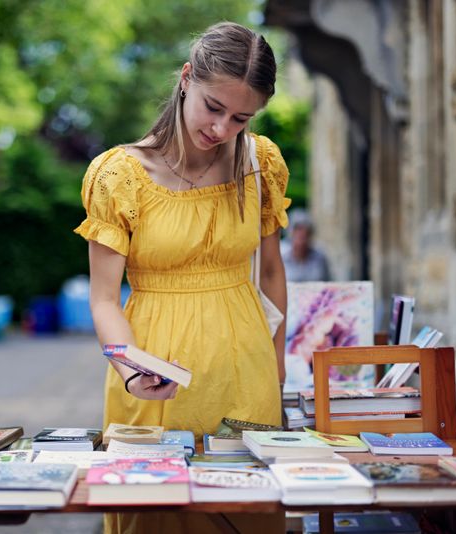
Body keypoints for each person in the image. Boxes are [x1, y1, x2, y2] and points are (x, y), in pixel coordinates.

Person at [74, 22, 290, 534]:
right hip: (152, 374)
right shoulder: (118, 175)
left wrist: (277, 370)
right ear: (187, 79)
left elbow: (274, 271)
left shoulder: (260, 163)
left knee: (246, 513)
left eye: (241, 117)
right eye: (214, 107)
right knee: (154, 516)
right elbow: (104, 299)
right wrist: (129, 368)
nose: (221, 129)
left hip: (246, 373)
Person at [282, 209, 331, 282]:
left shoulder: (320, 257)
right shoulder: (281, 255)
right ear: (291, 234)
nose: (302, 239)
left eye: (306, 234)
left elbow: (327, 282)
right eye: (298, 232)